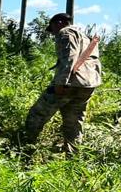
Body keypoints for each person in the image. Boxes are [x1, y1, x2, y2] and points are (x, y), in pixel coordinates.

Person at [22, 12, 102, 153]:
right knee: (74, 123)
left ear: (59, 23)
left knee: (37, 115)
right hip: (88, 85)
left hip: (70, 84)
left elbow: (69, 57)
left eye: (52, 29)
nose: (53, 33)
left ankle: (24, 149)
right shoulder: (86, 37)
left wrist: (61, 82)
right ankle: (73, 157)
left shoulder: (66, 32)